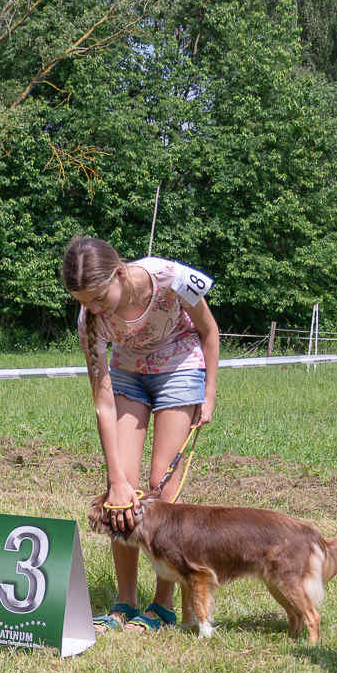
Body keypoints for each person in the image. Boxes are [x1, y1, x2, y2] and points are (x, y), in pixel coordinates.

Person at [62, 236, 220, 633]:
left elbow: (209, 330)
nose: (93, 308)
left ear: (119, 272)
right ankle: (125, 602)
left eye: (99, 297)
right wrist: (115, 480)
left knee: (161, 490)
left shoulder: (169, 277)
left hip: (180, 367)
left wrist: (209, 393)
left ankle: (163, 605)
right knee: (123, 492)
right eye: (83, 301)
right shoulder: (90, 320)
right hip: (129, 375)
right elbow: (102, 400)